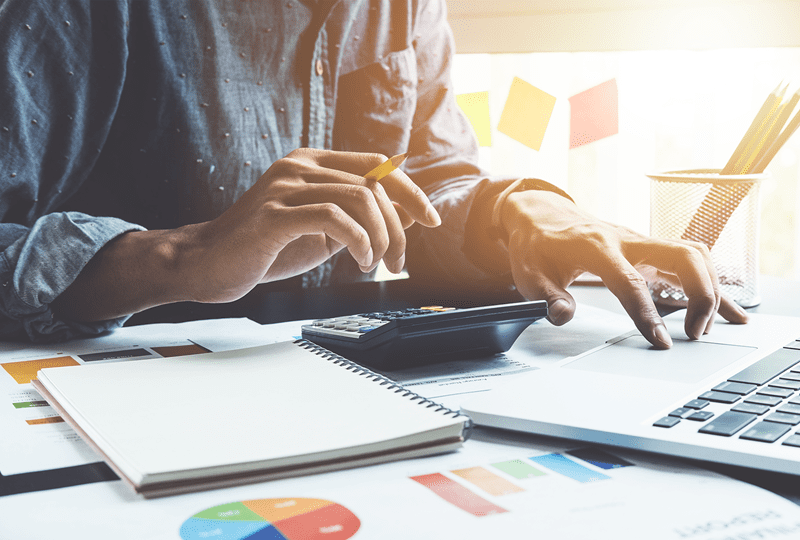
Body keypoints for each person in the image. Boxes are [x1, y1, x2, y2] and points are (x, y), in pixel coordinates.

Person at [0, 0, 748, 345]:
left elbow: (426, 189)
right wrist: (181, 257)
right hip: (124, 416)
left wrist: (516, 213)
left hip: (344, 391)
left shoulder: (412, 8)